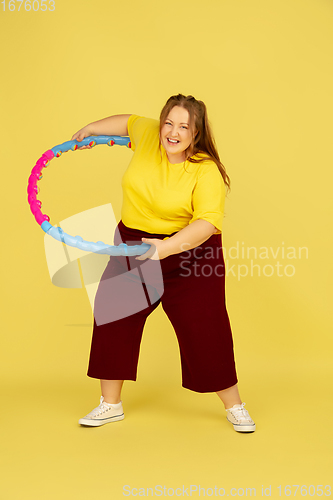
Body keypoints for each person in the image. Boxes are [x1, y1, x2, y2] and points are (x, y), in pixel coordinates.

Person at [71, 94, 256, 432]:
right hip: (133, 244)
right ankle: (110, 404)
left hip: (192, 251)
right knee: (114, 317)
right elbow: (127, 121)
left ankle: (236, 406)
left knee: (206, 327)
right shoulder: (147, 135)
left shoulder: (205, 171)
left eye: (184, 126)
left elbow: (206, 223)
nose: (173, 132)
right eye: (169, 123)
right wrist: (91, 129)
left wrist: (167, 248)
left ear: (196, 133)